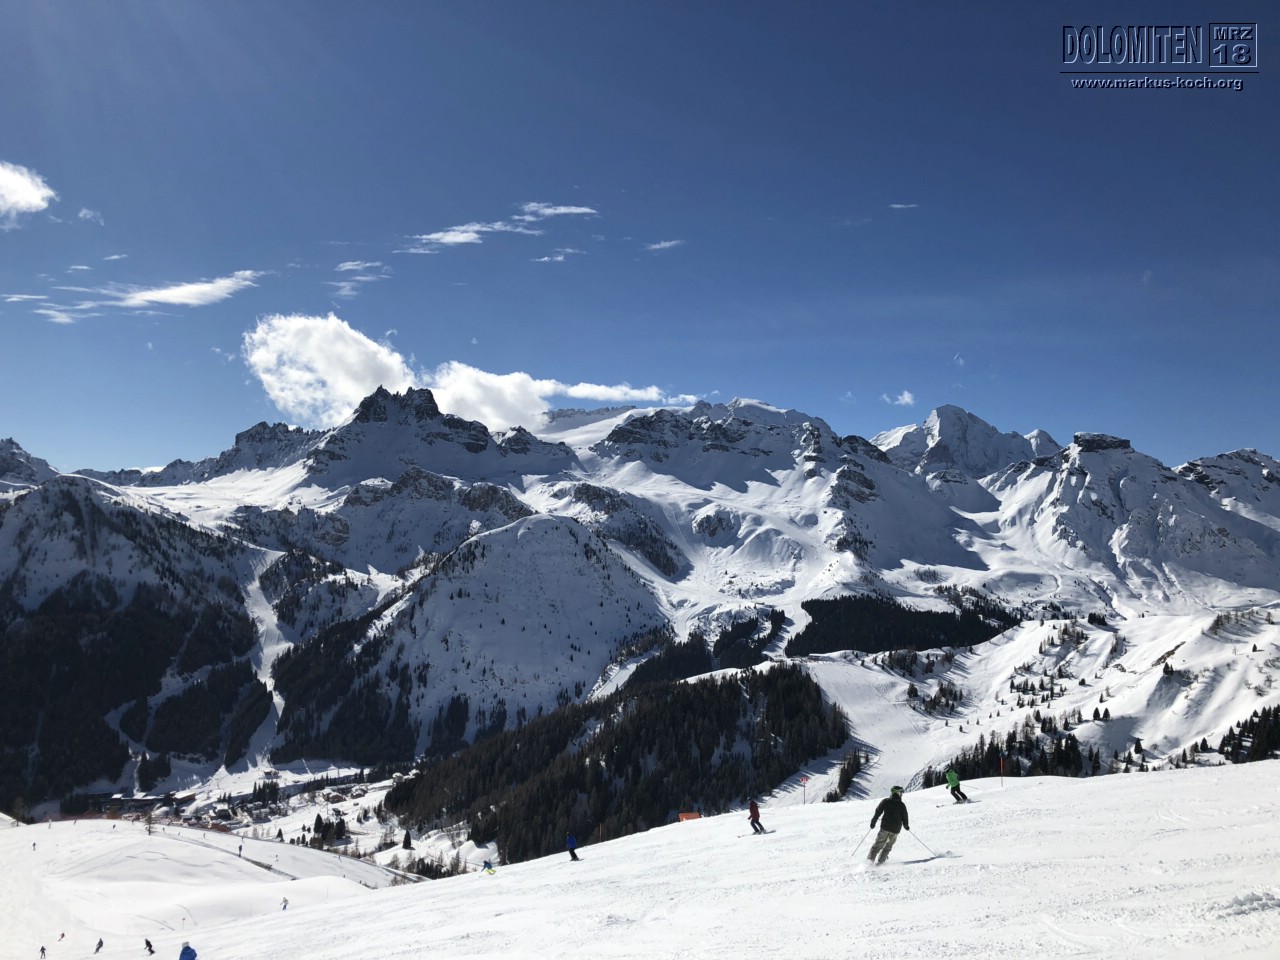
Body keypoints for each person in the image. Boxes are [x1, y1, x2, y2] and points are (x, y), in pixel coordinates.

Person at [867, 785, 910, 865]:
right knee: (888, 847)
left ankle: (869, 863)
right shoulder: (902, 805)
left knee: (877, 845)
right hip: (895, 830)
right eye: (901, 793)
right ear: (897, 793)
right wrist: (906, 826)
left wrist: (873, 822)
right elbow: (905, 816)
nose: (902, 795)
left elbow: (878, 812)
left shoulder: (885, 801)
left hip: (885, 828)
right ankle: (880, 863)